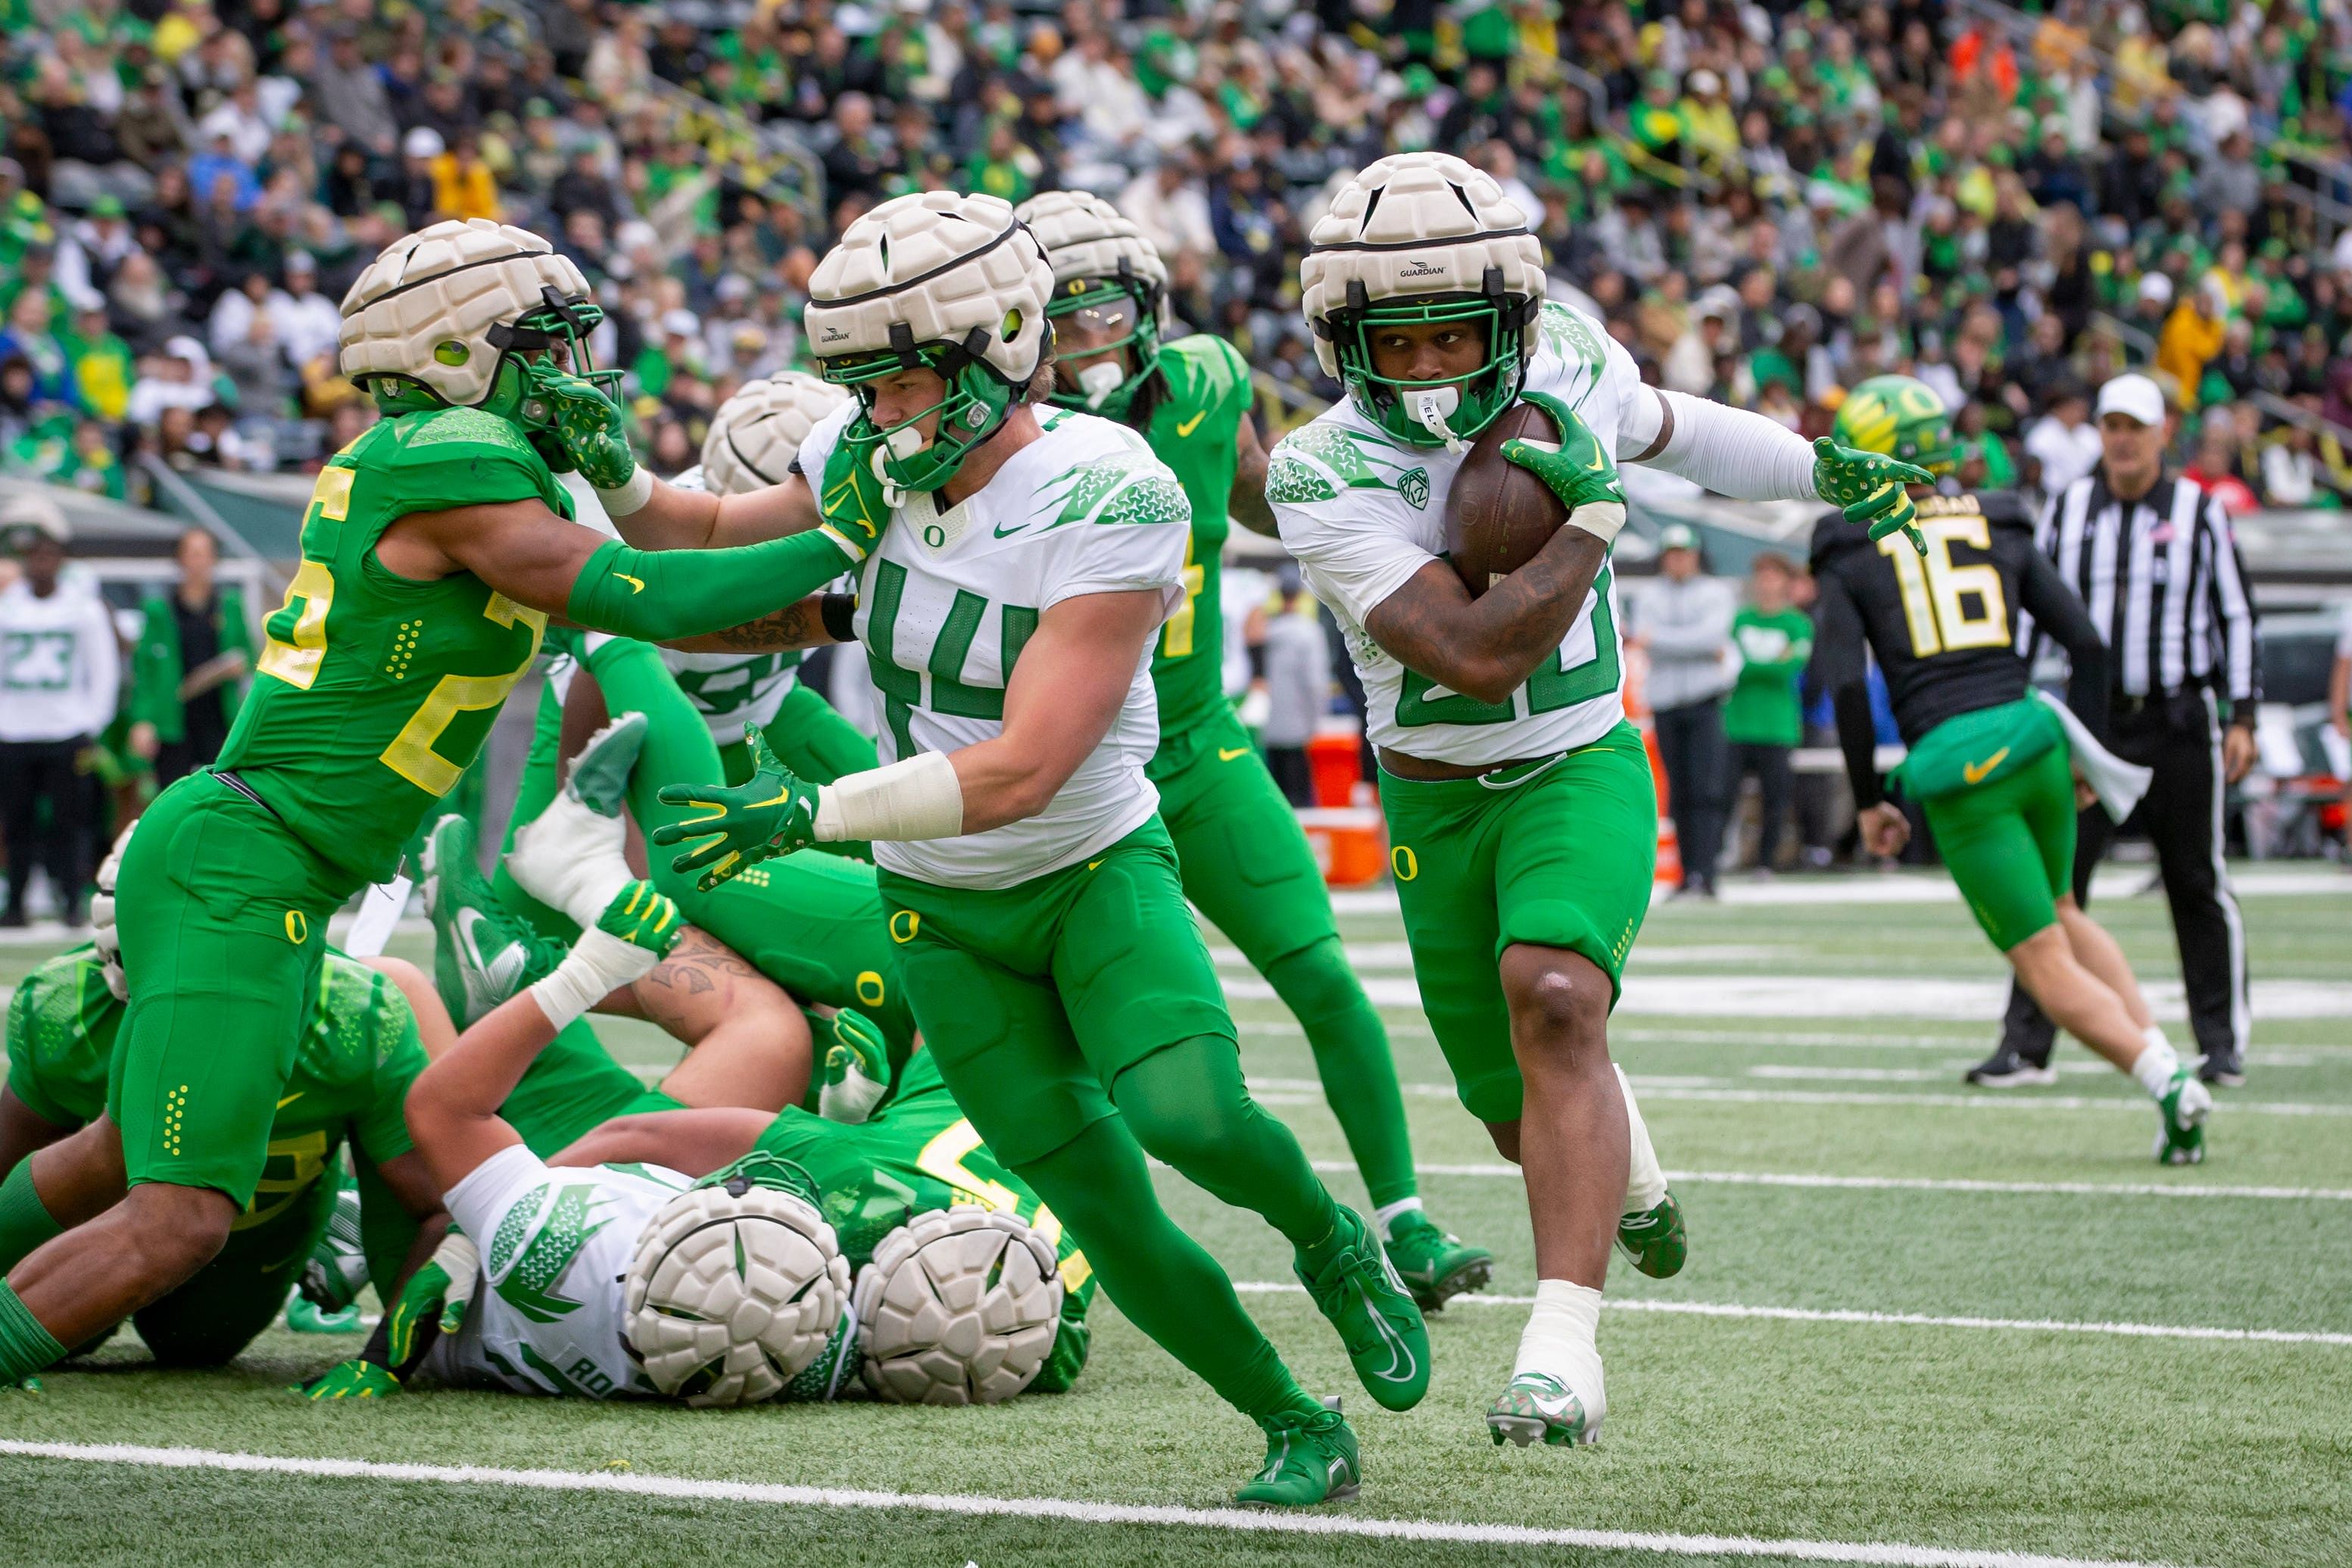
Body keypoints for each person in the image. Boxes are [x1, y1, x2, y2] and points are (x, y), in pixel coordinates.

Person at [600, 190, 1428, 1507]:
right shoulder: (864, 452)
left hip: (1088, 866)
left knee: (1189, 1118)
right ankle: (1291, 1419)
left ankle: (1331, 1236)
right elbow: (705, 550)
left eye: (902, 380)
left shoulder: (1110, 486)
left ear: (997, 344)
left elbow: (1026, 764)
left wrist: (809, 812)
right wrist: (615, 480)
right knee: (1102, 1205)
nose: (879, 415)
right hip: (941, 913)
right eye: (859, 387)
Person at [0, 217, 906, 1397]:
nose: (575, 361)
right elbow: (647, 593)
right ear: (451, 350)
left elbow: (695, 572)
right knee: (181, 1213)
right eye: (544, 337)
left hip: (279, 866)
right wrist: (844, 531)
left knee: (141, 1153)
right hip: (247, 860)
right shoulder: (446, 454)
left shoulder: (457, 460)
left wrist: (842, 607)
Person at [1269, 151, 1929, 1451]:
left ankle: (1561, 1350)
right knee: (1514, 1110)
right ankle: (1632, 1165)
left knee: (1559, 996)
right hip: (1437, 805)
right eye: (1397, 345)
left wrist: (1814, 472)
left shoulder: (1569, 355)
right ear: (1346, 343)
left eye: (1456, 332)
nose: (1432, 366)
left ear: (1510, 318)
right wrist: (1592, 520)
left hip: (1579, 761)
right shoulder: (1318, 471)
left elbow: (1674, 424)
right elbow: (1470, 650)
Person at [1015, 189, 1493, 1308]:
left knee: (1320, 973)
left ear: (1151, 308)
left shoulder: (1206, 383)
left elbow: (1267, 498)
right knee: (1080, 1035)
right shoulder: (1002, 442)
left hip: (1189, 739)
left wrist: (1393, 507)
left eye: (1107, 312)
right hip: (1060, 764)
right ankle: (1052, 1238)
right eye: (1065, 318)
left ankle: (1403, 1219)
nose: (1091, 341)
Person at [1809, 374, 2212, 1164]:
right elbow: (2088, 646)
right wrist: (2089, 754)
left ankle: (2165, 1079)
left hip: (1964, 765)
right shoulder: (2000, 515)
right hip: (2037, 736)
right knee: (2065, 909)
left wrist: (1867, 801)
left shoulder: (1844, 541)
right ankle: (2164, 1052)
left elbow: (1846, 683)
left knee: (2040, 957)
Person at [1983, 373, 2260, 1089]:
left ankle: (2221, 1043)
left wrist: (2243, 714)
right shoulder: (2068, 509)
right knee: (2053, 888)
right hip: (2089, 724)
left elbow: (2236, 615)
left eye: (2136, 425)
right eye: (2111, 425)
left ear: (2163, 431)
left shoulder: (2200, 510)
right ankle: (2027, 1044)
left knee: (2196, 879)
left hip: (2176, 717)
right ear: (2099, 432)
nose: (2124, 438)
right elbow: (2027, 607)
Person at [0, 937, 448, 1370]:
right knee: (61, 1335)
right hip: (118, 1206)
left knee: (193, 1344)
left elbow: (434, 1206)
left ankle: (338, 1214)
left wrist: (387, 1359)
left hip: (260, 1221)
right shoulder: (66, 1005)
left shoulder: (354, 1018)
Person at [0, 493, 116, 927]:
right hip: (14, 731)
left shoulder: (82, 608)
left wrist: (92, 722)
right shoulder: (7, 607)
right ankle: (16, 905)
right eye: (36, 556)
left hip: (67, 730)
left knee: (70, 823)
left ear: (61, 561)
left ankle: (71, 900)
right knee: (18, 823)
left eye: (50, 556)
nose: (42, 564)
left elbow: (102, 668)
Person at [1633, 522, 1739, 898]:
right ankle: (1686, 873)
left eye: (1684, 553)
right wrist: (1695, 645)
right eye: (1672, 554)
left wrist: (1660, 640)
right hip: (1666, 703)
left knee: (1707, 789)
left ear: (1695, 556)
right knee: (1679, 791)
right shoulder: (1649, 594)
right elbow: (1701, 641)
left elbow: (1712, 636)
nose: (1678, 561)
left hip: (1704, 701)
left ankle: (1706, 874)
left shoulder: (1715, 592)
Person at [128, 525, 251, 787]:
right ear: (180, 559)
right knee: (171, 795)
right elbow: (145, 671)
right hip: (175, 720)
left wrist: (235, 666)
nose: (199, 561)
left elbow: (249, 657)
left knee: (223, 794)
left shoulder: (230, 606)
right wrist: (143, 720)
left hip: (220, 720)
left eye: (205, 553)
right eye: (193, 553)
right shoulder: (160, 611)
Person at [1724, 550, 1813, 873]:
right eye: (1761, 575)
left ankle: (1766, 863)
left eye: (1773, 575)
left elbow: (1787, 670)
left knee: (1775, 799)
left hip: (1777, 725)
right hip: (1737, 722)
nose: (1766, 583)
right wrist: (1765, 666)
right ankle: (1722, 857)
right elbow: (1727, 667)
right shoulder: (1740, 619)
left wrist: (1748, 667)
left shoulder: (1798, 624)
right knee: (1723, 795)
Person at [1260, 568, 1330, 807]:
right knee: (1299, 797)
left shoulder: (1264, 631)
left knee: (1276, 796)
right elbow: (1315, 682)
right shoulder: (1309, 632)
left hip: (1266, 725)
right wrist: (1316, 719)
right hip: (1299, 724)